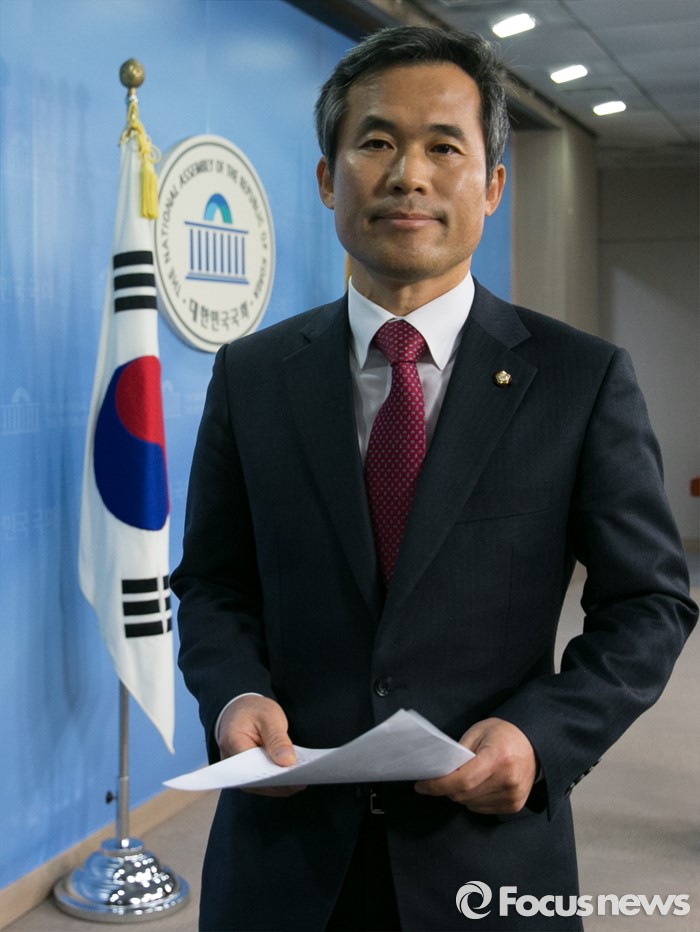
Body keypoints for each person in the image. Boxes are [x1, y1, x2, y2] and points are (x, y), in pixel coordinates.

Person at [171, 25, 697, 932]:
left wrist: (542, 734)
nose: (408, 175)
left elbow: (649, 603)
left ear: (492, 185)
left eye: (444, 147)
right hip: (284, 861)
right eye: (376, 141)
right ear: (328, 178)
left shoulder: (579, 381)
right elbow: (214, 582)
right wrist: (234, 695)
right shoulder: (252, 375)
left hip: (487, 859)